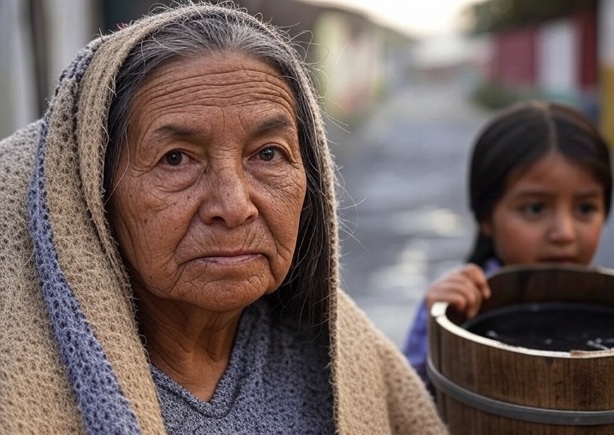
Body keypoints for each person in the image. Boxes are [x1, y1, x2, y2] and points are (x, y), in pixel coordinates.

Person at [0, 2, 448, 434]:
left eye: (268, 154)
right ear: (93, 193)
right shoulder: (22, 382)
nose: (234, 207)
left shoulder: (347, 360)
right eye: (176, 159)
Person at [403, 99, 613, 390]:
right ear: (486, 216)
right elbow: (404, 406)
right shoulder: (452, 306)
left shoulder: (604, 304)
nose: (564, 233)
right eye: (535, 209)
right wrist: (442, 331)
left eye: (586, 209)